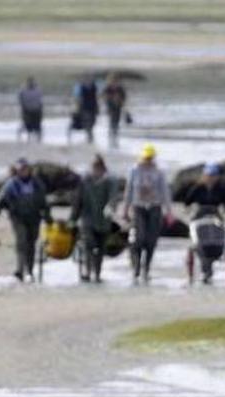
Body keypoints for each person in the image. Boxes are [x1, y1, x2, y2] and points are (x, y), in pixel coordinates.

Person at [0, 158, 51, 282]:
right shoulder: (11, 185)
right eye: (21, 169)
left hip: (34, 218)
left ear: (29, 170)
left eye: (25, 169)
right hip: (18, 218)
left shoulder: (37, 184)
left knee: (31, 244)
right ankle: (19, 270)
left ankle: (30, 271)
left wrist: (48, 217)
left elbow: (44, 203)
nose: (24, 171)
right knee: (21, 242)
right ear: (16, 171)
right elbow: (0, 201)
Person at [121, 144, 171, 283]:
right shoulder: (134, 171)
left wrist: (169, 211)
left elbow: (165, 192)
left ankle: (146, 268)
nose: (148, 160)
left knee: (151, 241)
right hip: (138, 208)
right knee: (139, 238)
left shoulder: (159, 172)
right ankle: (136, 266)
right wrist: (125, 209)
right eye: (145, 157)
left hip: (155, 208)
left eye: (150, 158)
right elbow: (129, 191)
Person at [69, 154, 118, 283]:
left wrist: (111, 207)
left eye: (98, 167)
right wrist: (72, 219)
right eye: (94, 167)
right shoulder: (84, 181)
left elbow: (113, 197)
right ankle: (87, 270)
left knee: (101, 248)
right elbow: (77, 201)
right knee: (88, 244)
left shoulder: (110, 181)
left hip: (103, 221)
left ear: (103, 168)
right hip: (88, 218)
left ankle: (97, 273)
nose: (96, 170)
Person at [70, 75, 99, 144]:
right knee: (87, 121)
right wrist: (77, 107)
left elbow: (97, 97)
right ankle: (89, 136)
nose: (88, 80)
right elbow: (77, 97)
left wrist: (98, 107)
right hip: (84, 107)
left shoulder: (94, 87)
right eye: (87, 79)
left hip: (93, 107)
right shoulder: (81, 87)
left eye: (89, 79)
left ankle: (90, 135)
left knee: (92, 122)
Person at [102, 73, 128, 148]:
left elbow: (124, 98)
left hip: (118, 107)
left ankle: (115, 136)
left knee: (116, 121)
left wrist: (119, 100)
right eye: (112, 80)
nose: (113, 81)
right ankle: (111, 136)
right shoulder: (107, 88)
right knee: (111, 121)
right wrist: (110, 97)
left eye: (115, 80)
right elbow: (103, 96)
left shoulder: (120, 88)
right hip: (110, 107)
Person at [18, 77, 44, 143]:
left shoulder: (23, 91)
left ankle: (30, 131)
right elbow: (41, 102)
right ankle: (37, 133)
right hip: (35, 112)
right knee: (37, 122)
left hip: (28, 112)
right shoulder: (38, 90)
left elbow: (21, 100)